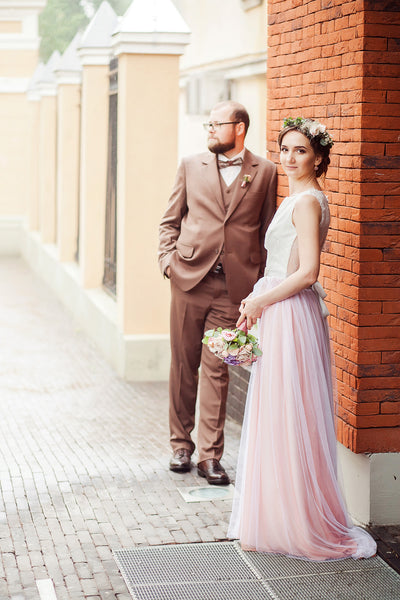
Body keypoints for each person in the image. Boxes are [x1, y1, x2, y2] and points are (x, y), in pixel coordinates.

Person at [228, 117, 377, 559]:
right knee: (279, 414)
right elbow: (283, 266)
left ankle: (301, 522)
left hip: (291, 313)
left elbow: (308, 271)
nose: (290, 159)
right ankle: (279, 516)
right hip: (280, 308)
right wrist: (257, 301)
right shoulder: (295, 197)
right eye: (285, 149)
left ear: (318, 158)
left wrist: (259, 301)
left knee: (290, 414)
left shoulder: (308, 202)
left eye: (300, 151)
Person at [158, 101, 276, 485]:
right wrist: (167, 262)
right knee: (183, 365)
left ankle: (211, 456)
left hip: (233, 289)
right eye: (207, 123)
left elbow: (267, 230)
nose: (208, 129)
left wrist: (259, 282)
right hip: (188, 280)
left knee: (217, 370)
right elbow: (169, 220)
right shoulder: (191, 165)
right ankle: (180, 444)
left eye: (216, 124)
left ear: (239, 128)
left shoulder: (266, 172)